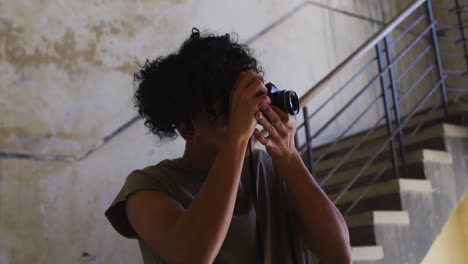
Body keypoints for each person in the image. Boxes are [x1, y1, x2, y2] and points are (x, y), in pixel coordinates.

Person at [105, 28, 351, 264]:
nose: (244, 116)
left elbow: (339, 254)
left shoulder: (269, 169)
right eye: (227, 111)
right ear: (187, 129)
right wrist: (237, 138)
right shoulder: (147, 188)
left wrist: (289, 155)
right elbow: (193, 257)